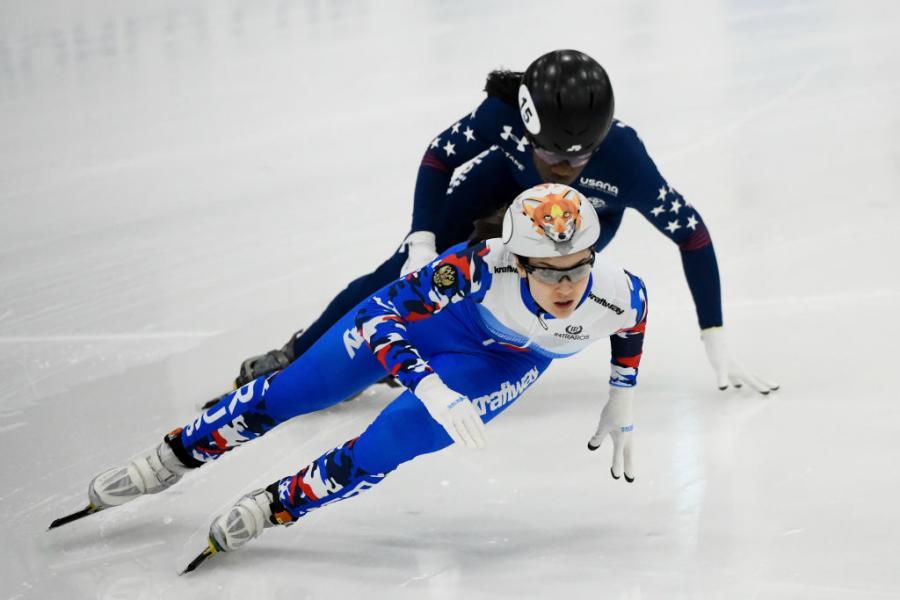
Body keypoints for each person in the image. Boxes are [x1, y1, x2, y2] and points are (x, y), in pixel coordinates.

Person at [55, 184, 648, 567]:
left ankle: (279, 504)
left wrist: (622, 392)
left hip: (502, 362)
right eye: (548, 273)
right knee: (294, 392)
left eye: (577, 269)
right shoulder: (473, 267)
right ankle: (172, 459)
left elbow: (634, 321)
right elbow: (385, 317)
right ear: (516, 260)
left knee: (390, 441)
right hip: (426, 326)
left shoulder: (617, 292)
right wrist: (430, 384)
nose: (567, 287)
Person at [220, 49, 775, 403]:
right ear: (526, 127)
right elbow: (440, 156)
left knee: (511, 286)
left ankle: (428, 345)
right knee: (399, 274)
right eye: (553, 158)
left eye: (580, 163)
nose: (563, 171)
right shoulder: (501, 117)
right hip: (497, 186)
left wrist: (714, 331)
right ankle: (297, 353)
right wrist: (421, 241)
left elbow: (691, 233)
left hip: (579, 227)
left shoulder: (625, 161)